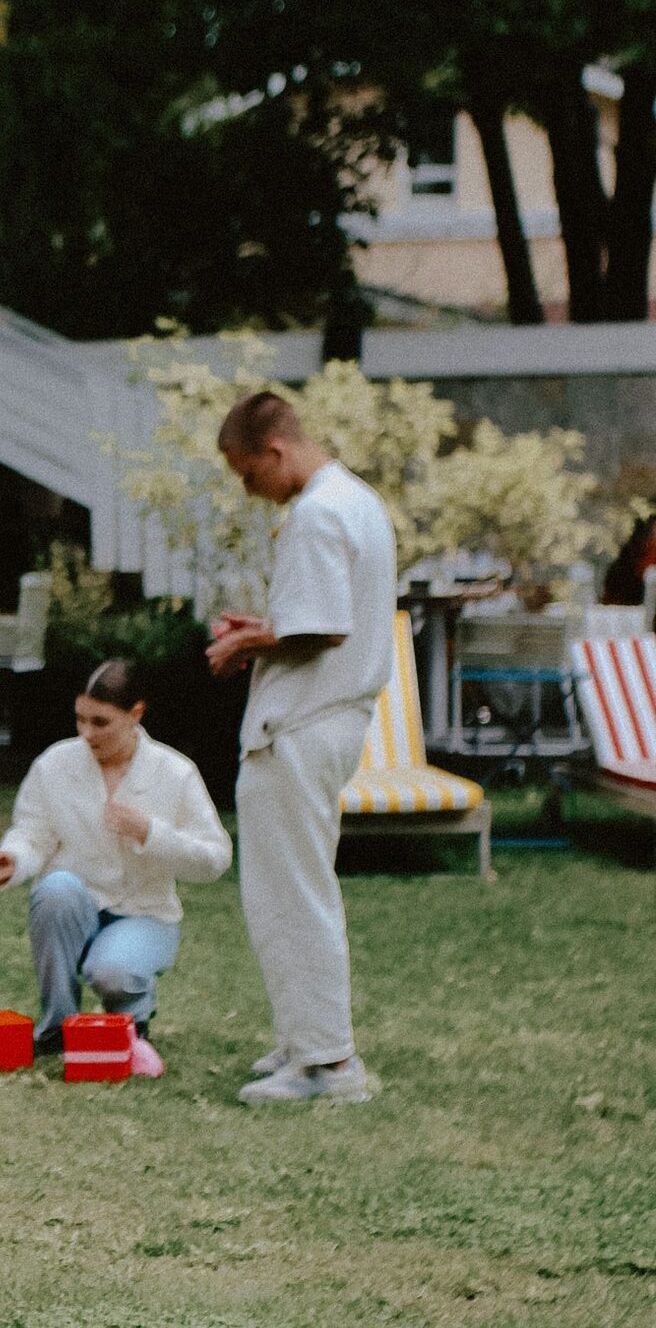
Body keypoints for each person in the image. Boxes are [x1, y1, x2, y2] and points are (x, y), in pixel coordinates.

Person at [208, 390, 396, 1105]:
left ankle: (328, 1063)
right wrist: (266, 625)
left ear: (275, 450)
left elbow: (323, 628)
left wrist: (243, 644)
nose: (248, 489)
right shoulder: (356, 501)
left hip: (303, 724)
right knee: (285, 889)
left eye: (247, 472)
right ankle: (303, 1039)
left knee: (293, 893)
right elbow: (324, 618)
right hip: (327, 716)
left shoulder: (317, 512)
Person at [0, 660, 230, 1075]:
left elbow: (215, 859)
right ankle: (57, 1027)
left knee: (110, 971)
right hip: (79, 900)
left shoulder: (175, 771)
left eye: (101, 722)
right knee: (55, 888)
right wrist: (14, 858)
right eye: (80, 720)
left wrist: (150, 832)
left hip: (145, 913)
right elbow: (33, 833)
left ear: (136, 715)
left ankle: (134, 1021)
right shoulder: (55, 763)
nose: (87, 734)